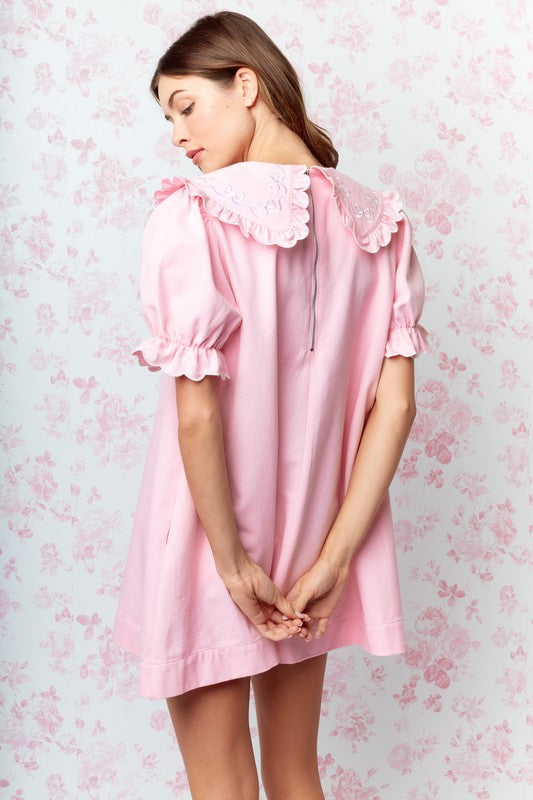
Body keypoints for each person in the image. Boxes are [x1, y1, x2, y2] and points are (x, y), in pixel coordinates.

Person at [111, 10, 430, 800]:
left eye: (186, 105)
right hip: (311, 543)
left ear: (246, 84)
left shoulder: (192, 215)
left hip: (210, 540)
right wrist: (334, 559)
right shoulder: (380, 226)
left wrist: (230, 563)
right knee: (295, 775)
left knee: (221, 782)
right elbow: (393, 410)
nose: (177, 135)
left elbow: (197, 416)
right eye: (168, 118)